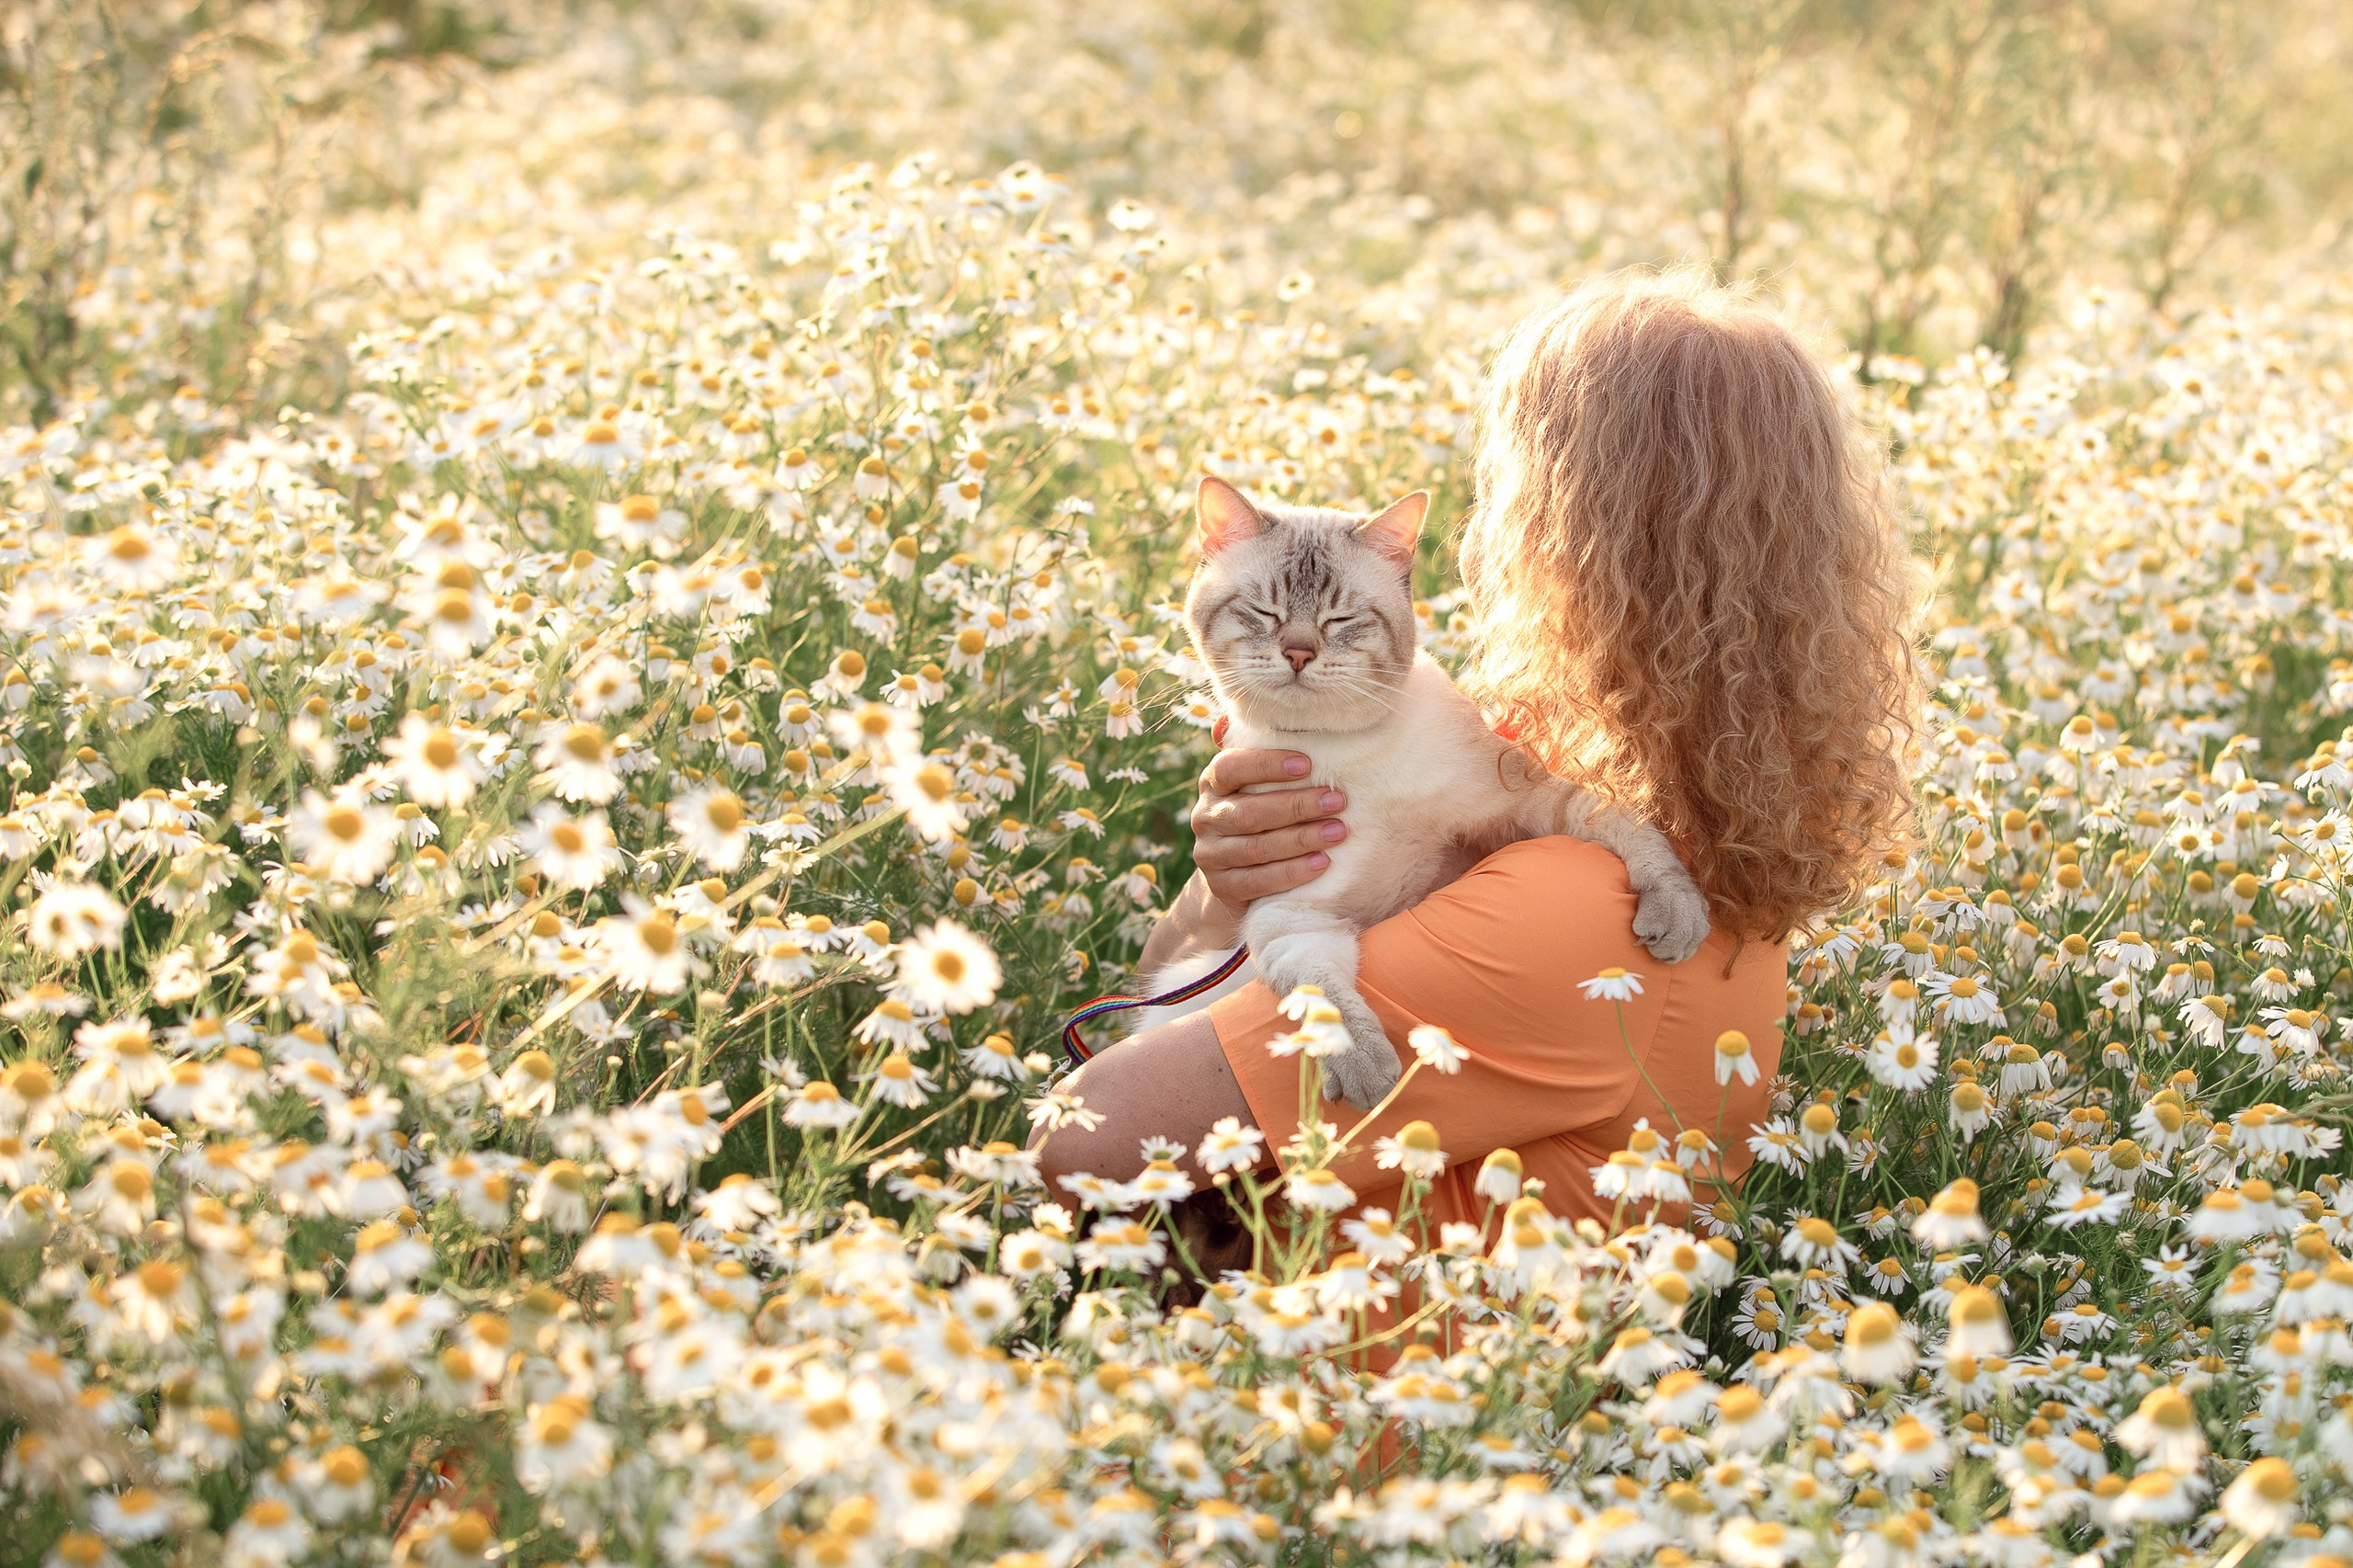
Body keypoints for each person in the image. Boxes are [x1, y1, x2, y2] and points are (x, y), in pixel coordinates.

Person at [1035, 267, 1917, 1246]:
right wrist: (1229, 885)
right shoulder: (1622, 813)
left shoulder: (1582, 906)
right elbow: (1192, 981)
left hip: (1338, 1382)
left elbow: (1083, 1139)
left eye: (1501, 485)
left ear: (1557, 534)